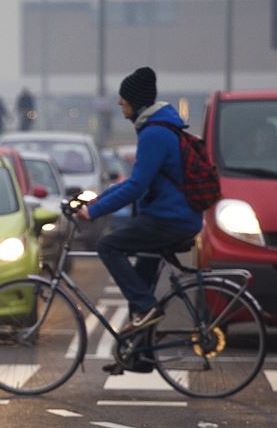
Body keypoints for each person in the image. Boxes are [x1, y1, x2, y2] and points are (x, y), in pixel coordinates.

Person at [76, 67, 203, 372]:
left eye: (123, 102)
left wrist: (93, 213)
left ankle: (146, 310)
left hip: (170, 220)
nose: (120, 107)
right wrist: (97, 199)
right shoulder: (157, 128)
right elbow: (132, 181)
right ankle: (141, 356)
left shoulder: (155, 133)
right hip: (168, 217)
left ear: (136, 102)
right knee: (140, 282)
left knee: (108, 246)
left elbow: (137, 186)